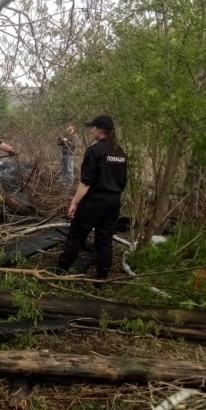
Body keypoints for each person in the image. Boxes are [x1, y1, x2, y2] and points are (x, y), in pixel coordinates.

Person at [56, 115, 127, 284]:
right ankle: (101, 280)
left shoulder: (94, 151)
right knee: (104, 240)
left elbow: (86, 182)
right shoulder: (120, 152)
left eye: (92, 127)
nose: (90, 130)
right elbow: (122, 181)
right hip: (113, 202)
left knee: (76, 237)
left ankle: (58, 273)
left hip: (94, 202)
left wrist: (74, 202)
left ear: (100, 129)